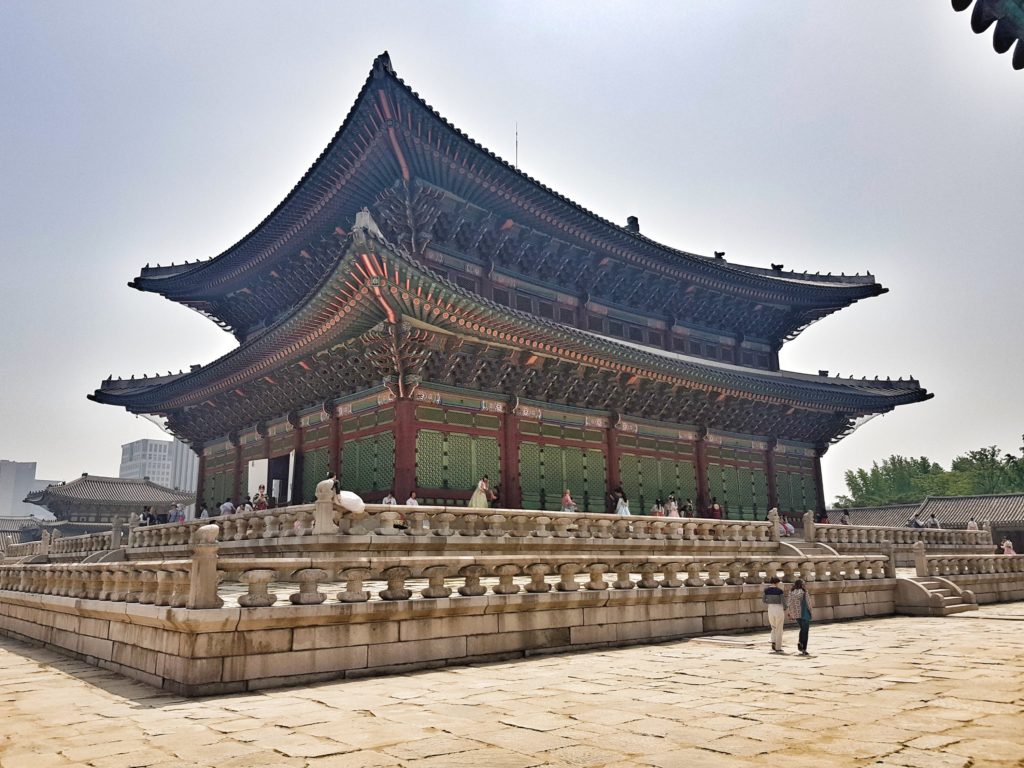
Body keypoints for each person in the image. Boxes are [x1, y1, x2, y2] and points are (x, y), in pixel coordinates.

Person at [786, 578, 813, 655]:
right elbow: (808, 603)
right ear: (802, 585)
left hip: (796, 615)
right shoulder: (804, 592)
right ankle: (803, 647)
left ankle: (800, 643)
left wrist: (790, 613)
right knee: (805, 631)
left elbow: (789, 603)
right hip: (804, 614)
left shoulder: (791, 592)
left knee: (802, 629)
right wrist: (810, 612)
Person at [763, 576, 786, 653]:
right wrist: (785, 608)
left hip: (770, 609)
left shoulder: (766, 590)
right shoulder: (779, 591)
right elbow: (783, 602)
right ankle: (778, 647)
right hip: (778, 609)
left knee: (773, 627)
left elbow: (764, 600)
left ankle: (773, 642)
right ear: (777, 583)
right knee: (779, 628)